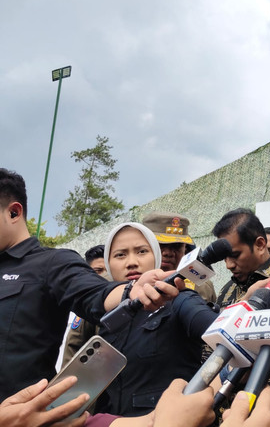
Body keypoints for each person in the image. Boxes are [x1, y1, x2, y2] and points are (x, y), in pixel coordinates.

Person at [0, 168, 180, 402]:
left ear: (14, 212)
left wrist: (130, 290)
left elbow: (95, 293)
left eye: (141, 251)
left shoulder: (52, 263)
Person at [94, 222, 218, 416]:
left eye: (142, 251)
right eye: (120, 254)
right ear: (108, 263)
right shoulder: (106, 316)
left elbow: (229, 339)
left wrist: (208, 394)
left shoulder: (180, 299)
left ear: (156, 258)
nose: (131, 262)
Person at [142, 212, 217, 304]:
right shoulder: (130, 281)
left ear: (185, 249)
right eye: (160, 245)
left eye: (177, 246)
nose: (168, 253)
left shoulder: (201, 286)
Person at [212, 209, 270, 308]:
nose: (229, 265)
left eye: (235, 255)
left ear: (260, 245)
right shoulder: (226, 291)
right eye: (224, 257)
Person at [63, 245, 110, 365]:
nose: (105, 276)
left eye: (108, 271)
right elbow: (72, 350)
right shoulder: (86, 309)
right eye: (98, 271)